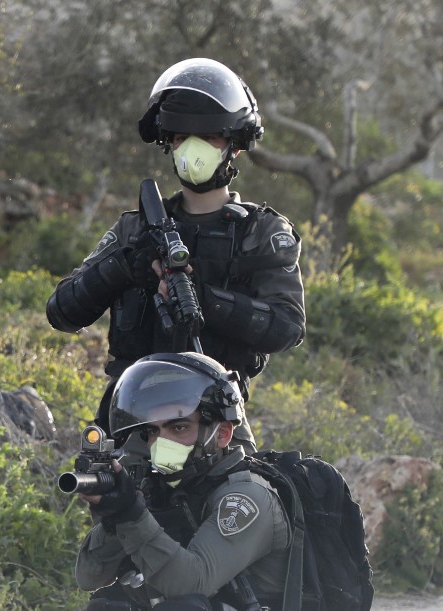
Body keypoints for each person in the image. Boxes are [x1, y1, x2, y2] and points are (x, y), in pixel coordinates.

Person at [46, 58, 305, 452]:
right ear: (168, 142)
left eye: (210, 137)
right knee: (113, 505)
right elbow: (62, 312)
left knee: (248, 501)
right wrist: (123, 268)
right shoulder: (135, 230)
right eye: (182, 137)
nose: (193, 148)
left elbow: (287, 327)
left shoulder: (261, 233)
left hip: (215, 419)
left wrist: (205, 299)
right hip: (130, 417)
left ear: (233, 145)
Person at [75, 352, 291, 610]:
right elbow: (89, 576)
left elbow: (191, 585)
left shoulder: (246, 497)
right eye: (153, 431)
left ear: (222, 434)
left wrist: (131, 515)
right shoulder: (165, 487)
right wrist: (114, 514)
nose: (160, 442)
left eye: (178, 427)